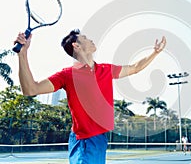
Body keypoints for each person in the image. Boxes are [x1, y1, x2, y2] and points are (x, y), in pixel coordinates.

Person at [15, 29, 166, 164]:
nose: (90, 39)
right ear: (77, 46)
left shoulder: (105, 69)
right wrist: (23, 54)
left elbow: (135, 68)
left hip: (99, 139)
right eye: (85, 38)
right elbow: (30, 88)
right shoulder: (67, 75)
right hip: (84, 141)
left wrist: (155, 52)